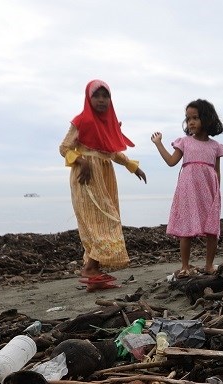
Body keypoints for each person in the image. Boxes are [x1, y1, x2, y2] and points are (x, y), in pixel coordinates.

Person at [59, 80, 146, 291]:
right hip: (86, 176)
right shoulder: (81, 121)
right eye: (96, 96)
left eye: (105, 96)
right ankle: (90, 268)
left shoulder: (108, 124)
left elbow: (112, 152)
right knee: (104, 220)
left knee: (102, 220)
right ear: (89, 98)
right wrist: (81, 161)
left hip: (105, 175)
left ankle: (94, 280)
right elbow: (64, 148)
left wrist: (133, 167)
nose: (101, 100)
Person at [152, 99, 223, 277]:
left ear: (207, 119)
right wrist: (158, 143)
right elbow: (171, 162)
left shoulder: (215, 147)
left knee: (212, 230)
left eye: (195, 118)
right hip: (188, 191)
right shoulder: (184, 142)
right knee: (186, 229)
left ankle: (209, 265)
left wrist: (217, 193)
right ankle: (185, 266)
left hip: (209, 191)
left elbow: (216, 172)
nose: (191, 122)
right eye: (188, 118)